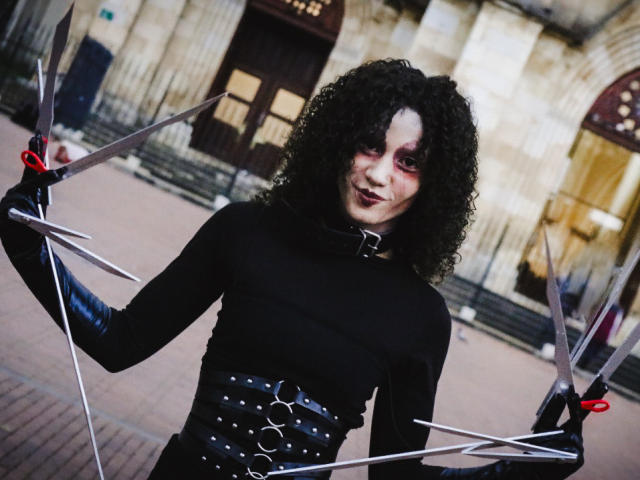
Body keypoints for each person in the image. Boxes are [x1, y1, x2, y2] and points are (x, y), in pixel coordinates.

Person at [1, 59, 583, 479]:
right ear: (336, 143)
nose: (378, 174)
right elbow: (119, 340)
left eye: (408, 162)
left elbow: (397, 475)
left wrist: (526, 466)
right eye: (369, 145)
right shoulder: (245, 231)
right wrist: (29, 245)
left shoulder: (421, 317)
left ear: (435, 186)